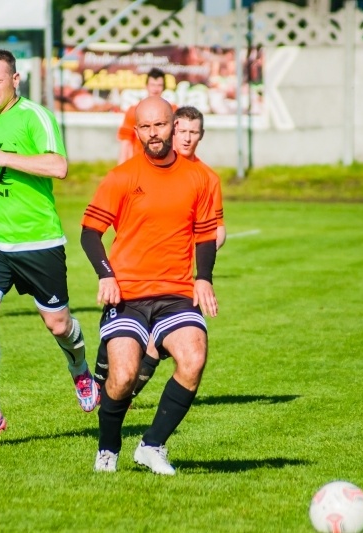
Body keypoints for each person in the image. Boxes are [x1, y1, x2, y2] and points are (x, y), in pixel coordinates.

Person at [0, 48, 98, 446]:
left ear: (16, 79)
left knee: (58, 324)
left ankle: (79, 368)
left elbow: (58, 166)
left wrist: (4, 157)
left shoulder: (36, 116)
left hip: (37, 240)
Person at [82, 96, 219, 475]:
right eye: (145, 127)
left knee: (193, 358)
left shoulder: (203, 179)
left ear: (174, 125)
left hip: (176, 293)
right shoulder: (122, 176)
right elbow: (90, 233)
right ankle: (108, 448)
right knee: (123, 376)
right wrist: (106, 273)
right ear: (137, 131)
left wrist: (203, 278)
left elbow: (206, 235)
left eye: (160, 125)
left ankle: (152, 445)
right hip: (128, 294)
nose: (153, 133)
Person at [116, 68, 177, 165]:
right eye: (152, 85)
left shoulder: (173, 111)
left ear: (164, 87)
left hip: (166, 165)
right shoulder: (133, 111)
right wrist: (121, 171)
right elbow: (126, 143)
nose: (155, 89)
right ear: (146, 86)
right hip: (140, 165)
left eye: (159, 85)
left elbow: (179, 141)